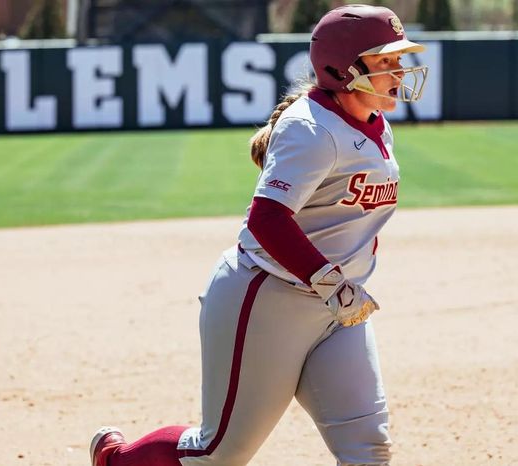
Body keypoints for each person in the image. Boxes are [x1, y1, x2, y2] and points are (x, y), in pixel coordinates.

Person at [89, 4, 428, 466]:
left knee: (368, 447)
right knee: (219, 453)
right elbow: (267, 221)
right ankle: (116, 459)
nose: (399, 70)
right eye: (385, 60)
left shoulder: (376, 124)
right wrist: (329, 281)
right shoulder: (311, 130)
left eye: (398, 59)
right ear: (344, 67)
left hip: (340, 305)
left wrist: (341, 284)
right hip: (268, 298)